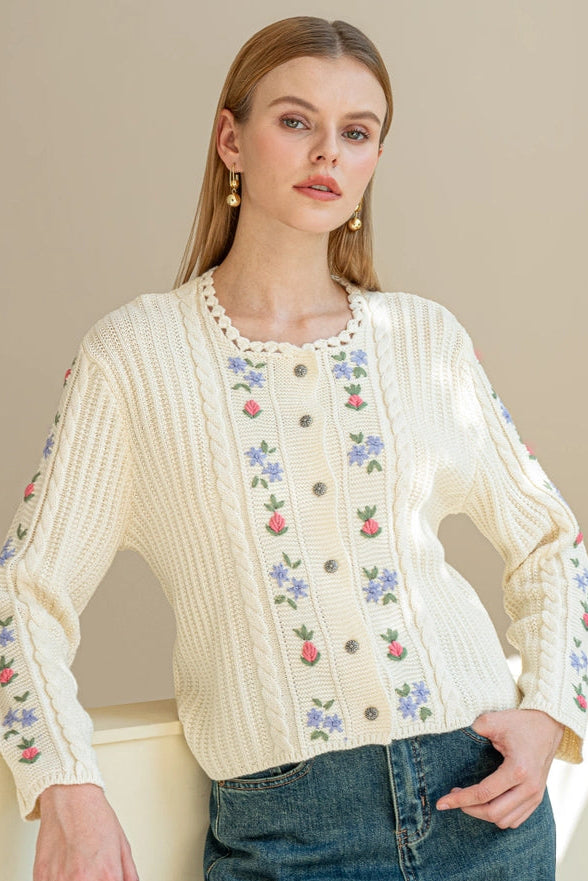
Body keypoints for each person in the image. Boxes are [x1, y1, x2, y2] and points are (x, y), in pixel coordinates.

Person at [0, 15, 585, 881]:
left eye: (357, 133)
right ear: (230, 138)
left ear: (375, 158)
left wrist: (547, 714)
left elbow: (551, 542)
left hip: (484, 807)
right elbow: (23, 592)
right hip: (289, 833)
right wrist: (65, 786)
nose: (328, 155)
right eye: (296, 121)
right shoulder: (135, 358)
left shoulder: (424, 339)